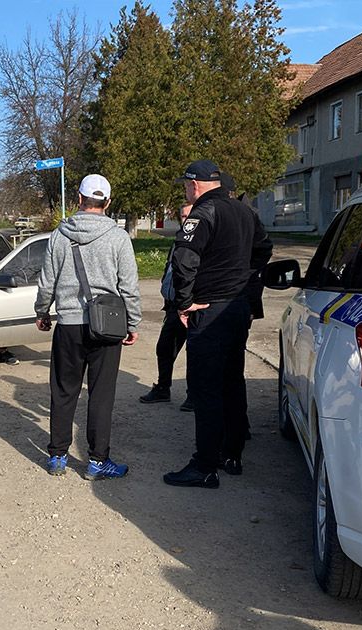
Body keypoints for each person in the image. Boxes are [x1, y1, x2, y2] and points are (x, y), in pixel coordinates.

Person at [35, 174, 141, 480]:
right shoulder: (118, 237)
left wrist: (42, 311)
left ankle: (57, 456)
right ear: (107, 203)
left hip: (68, 325)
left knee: (64, 391)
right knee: (101, 394)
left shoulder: (60, 235)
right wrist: (132, 323)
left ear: (79, 200)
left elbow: (47, 280)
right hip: (107, 327)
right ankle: (97, 462)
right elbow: (129, 287)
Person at [162, 160, 259, 489]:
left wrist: (185, 302)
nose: (185, 190)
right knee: (232, 380)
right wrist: (245, 283)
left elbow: (184, 259)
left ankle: (205, 465)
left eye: (186, 185)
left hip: (211, 310)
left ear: (195, 185)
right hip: (237, 307)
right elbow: (264, 248)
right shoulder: (244, 211)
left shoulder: (204, 213)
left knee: (206, 388)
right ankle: (232, 452)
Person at [139, 202, 193, 411]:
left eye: (189, 215)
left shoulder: (200, 238)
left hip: (191, 306)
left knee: (194, 352)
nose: (185, 219)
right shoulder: (179, 239)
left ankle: (193, 395)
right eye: (183, 215)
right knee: (164, 347)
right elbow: (171, 266)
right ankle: (163, 388)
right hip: (172, 305)